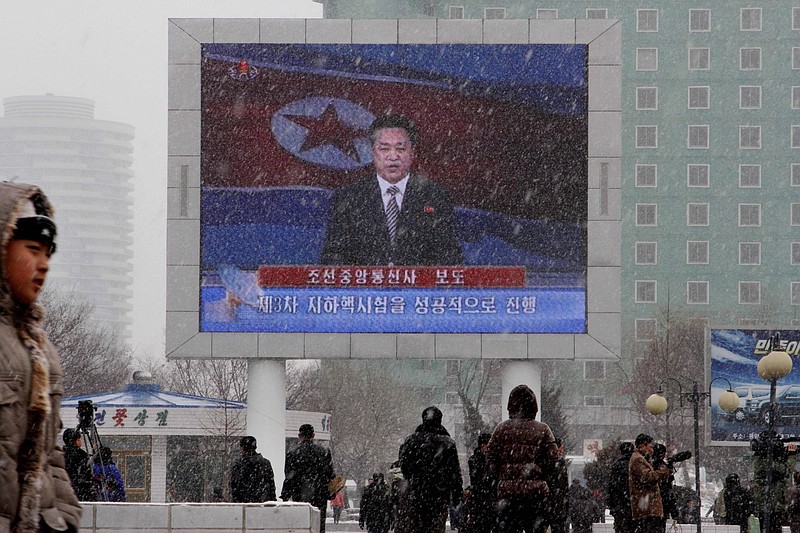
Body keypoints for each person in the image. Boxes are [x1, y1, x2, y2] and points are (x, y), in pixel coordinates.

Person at [0, 183, 82, 533]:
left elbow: (50, 454)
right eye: (32, 249)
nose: (43, 265)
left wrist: (65, 514)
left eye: (48, 253)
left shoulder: (41, 349)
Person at [320, 113, 463, 266]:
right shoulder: (349, 197)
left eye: (400, 148)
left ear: (412, 153)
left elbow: (449, 255)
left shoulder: (435, 196)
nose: (393, 156)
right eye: (384, 149)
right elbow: (333, 256)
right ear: (372, 152)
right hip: (366, 288)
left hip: (417, 288)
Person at [487, 384, 559, 533]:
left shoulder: (501, 429)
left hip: (507, 496)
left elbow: (491, 461)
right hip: (535, 495)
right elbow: (552, 461)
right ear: (533, 406)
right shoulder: (543, 430)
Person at [396, 406, 463, 533]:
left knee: (414, 527)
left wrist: (413, 479)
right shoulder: (448, 443)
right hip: (438, 496)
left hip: (415, 494)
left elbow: (404, 466)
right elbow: (454, 472)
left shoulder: (411, 441)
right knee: (435, 528)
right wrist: (456, 495)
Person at [281, 424, 336, 533]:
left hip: (299, 494)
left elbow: (289, 476)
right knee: (319, 525)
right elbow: (330, 474)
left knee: (301, 525)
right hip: (319, 493)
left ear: (299, 436)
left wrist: (285, 494)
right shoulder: (324, 452)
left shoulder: (292, 453)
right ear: (313, 435)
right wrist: (331, 491)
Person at [628, 433, 670, 533]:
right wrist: (661, 471)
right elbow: (647, 477)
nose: (652, 450)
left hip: (647, 507)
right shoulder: (638, 459)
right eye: (650, 447)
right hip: (647, 508)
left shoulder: (642, 459)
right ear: (642, 446)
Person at [230, 435, 276, 503]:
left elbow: (235, 487)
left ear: (242, 448)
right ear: (255, 447)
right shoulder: (265, 463)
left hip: (244, 504)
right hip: (263, 503)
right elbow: (271, 485)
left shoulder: (238, 465)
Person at [467, 432, 495, 533]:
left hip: (481, 500)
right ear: (483, 446)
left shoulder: (475, 460)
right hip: (484, 500)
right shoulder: (480, 461)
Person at [607, 442, 634, 533]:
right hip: (633, 506)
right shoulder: (635, 464)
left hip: (619, 506)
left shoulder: (617, 465)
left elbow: (612, 487)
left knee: (620, 528)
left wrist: (612, 506)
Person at [63, 428, 96, 501]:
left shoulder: (62, 453)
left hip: (65, 489)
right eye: (79, 439)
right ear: (75, 441)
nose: (81, 441)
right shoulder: (81, 455)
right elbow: (87, 473)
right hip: (80, 491)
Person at [545, 438, 570, 533]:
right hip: (556, 506)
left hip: (551, 505)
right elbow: (563, 487)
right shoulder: (557, 465)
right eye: (561, 448)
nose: (562, 450)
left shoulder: (545, 462)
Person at [650, 443, 676, 527]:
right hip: (661, 506)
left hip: (649, 506)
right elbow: (668, 490)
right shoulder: (662, 468)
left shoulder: (648, 464)